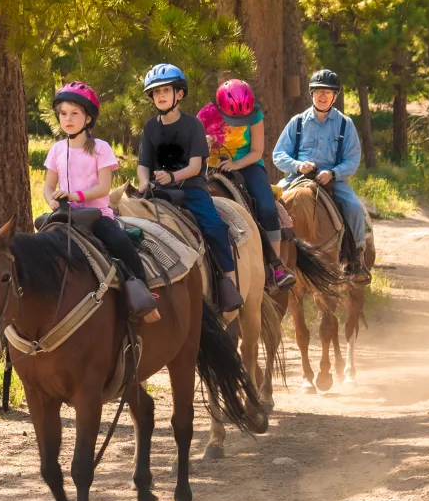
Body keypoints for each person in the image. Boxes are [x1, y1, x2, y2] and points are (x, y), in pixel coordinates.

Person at [44, 81, 160, 323]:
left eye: (75, 113)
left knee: (121, 243)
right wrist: (51, 201)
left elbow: (104, 188)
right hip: (65, 216)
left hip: (97, 216)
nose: (68, 118)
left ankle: (144, 297)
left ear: (87, 119)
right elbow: (48, 185)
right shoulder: (55, 149)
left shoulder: (100, 148)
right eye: (63, 113)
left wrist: (74, 195)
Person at [136, 64, 244, 312]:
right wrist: (144, 182)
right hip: (157, 191)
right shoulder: (150, 128)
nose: (160, 96)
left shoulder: (193, 125)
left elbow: (196, 166)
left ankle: (228, 281)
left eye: (165, 90)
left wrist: (172, 177)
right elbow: (143, 164)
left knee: (215, 226)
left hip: (191, 189)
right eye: (155, 92)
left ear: (179, 94)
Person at [197, 78, 297, 292]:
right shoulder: (205, 115)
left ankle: (275, 268)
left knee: (268, 208)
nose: (240, 121)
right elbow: (192, 150)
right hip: (210, 167)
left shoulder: (256, 114)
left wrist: (235, 164)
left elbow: (256, 151)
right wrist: (204, 145)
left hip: (247, 164)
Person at [272, 69, 371, 284]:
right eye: (318, 92)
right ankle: (270, 259)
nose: (322, 96)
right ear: (311, 94)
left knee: (354, 208)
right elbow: (278, 154)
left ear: (335, 96)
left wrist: (333, 173)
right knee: (271, 203)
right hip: (297, 178)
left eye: (327, 92)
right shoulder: (297, 122)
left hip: (332, 180)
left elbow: (353, 159)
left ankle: (356, 260)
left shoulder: (346, 124)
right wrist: (298, 165)